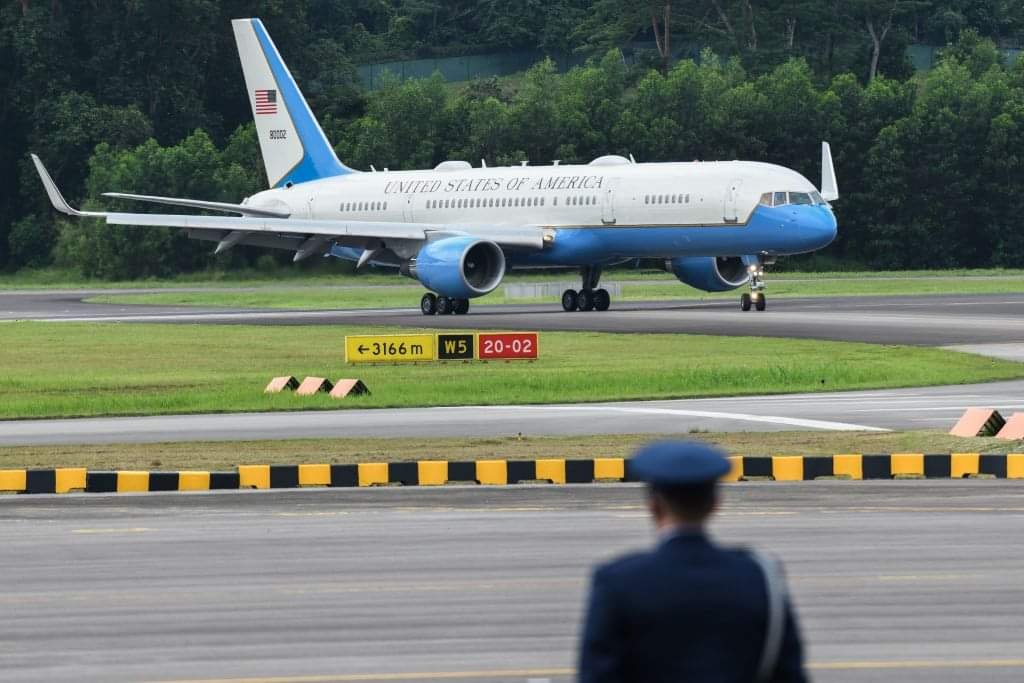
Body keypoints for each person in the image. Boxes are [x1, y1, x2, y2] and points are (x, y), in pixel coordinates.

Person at [577, 441, 807, 683]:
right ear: (715, 503)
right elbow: (788, 672)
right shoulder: (760, 576)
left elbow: (597, 675)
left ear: (653, 505)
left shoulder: (618, 581)